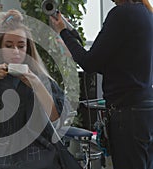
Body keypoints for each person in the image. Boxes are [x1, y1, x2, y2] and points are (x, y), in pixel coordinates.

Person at [51, 0, 153, 168]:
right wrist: (74, 49)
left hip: (127, 116)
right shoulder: (146, 14)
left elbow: (89, 63)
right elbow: (121, 69)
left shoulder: (121, 14)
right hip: (145, 112)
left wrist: (63, 32)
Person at [0, 9, 66, 169]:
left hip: (37, 150)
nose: (16, 52)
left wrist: (37, 85)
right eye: (9, 46)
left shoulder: (40, 78)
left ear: (28, 48)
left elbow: (56, 119)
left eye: (21, 46)